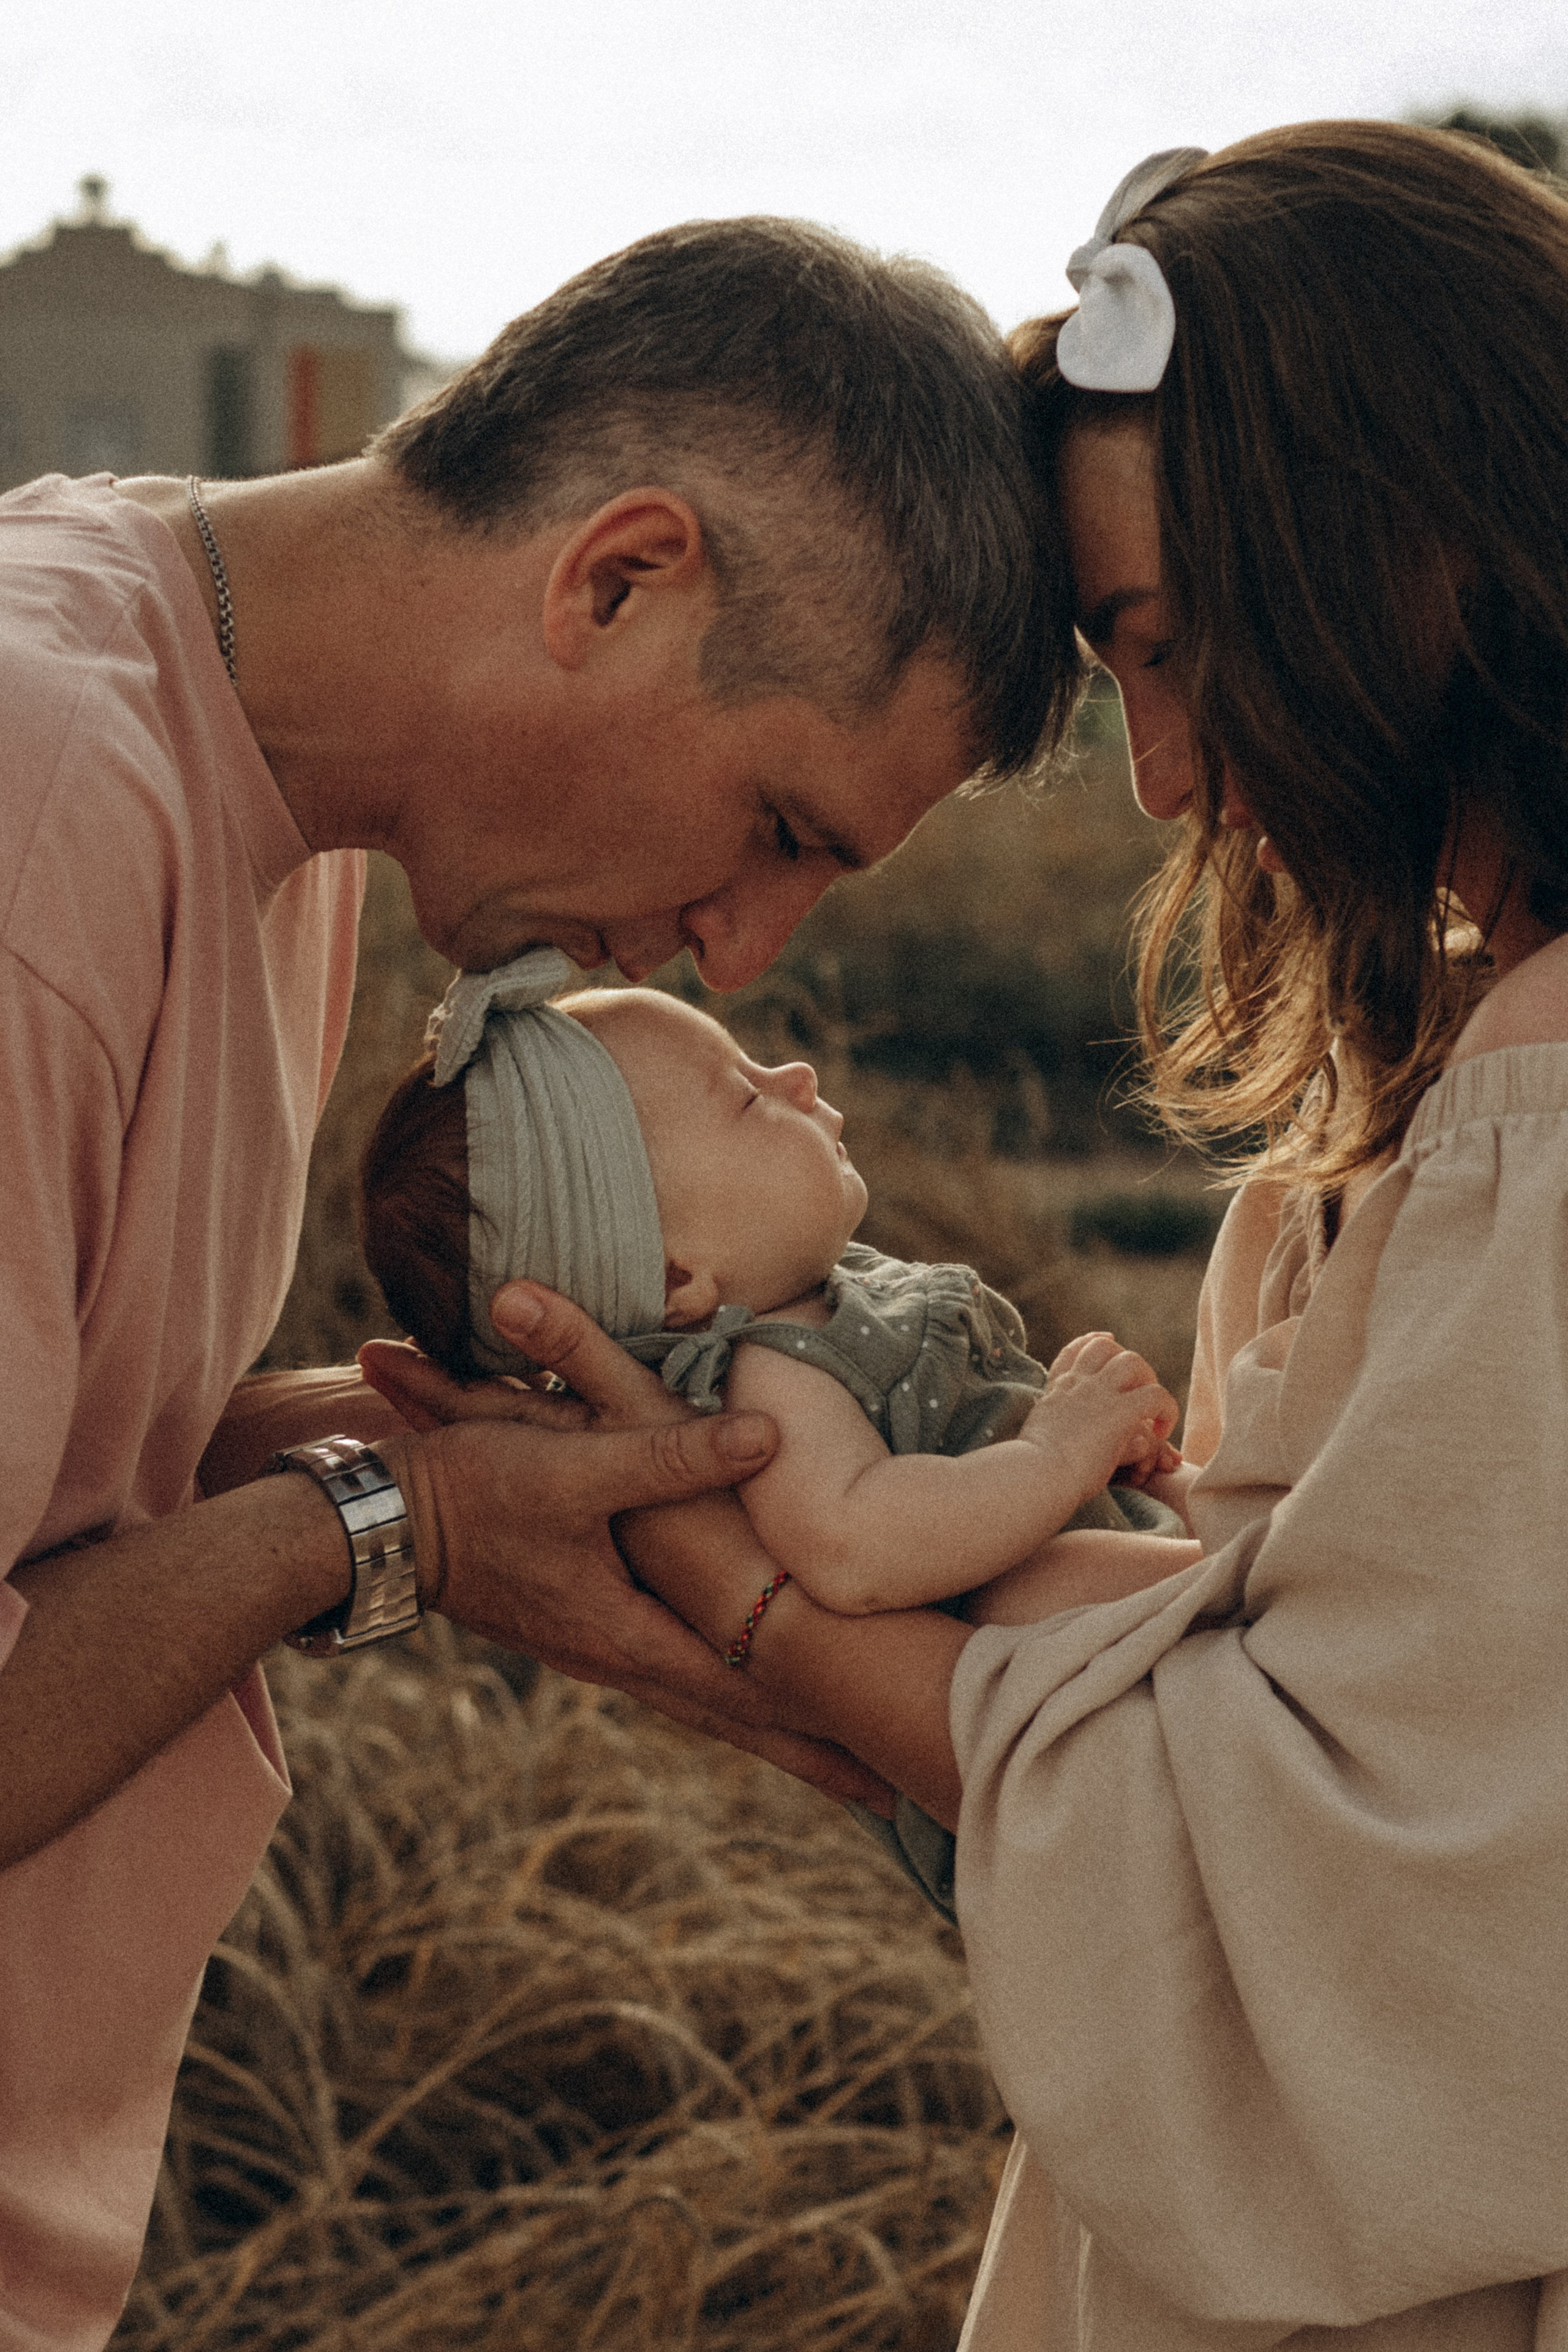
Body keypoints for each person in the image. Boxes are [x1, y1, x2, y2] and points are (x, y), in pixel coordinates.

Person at [368, 124, 1568, 2347]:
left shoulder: (1552, 1118)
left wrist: (750, 1602)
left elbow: (1408, 1921)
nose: (1171, 777)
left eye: (1179, 648)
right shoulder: (1481, 1072)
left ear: (1411, 546)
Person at [0, 214, 1067, 2348]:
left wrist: (435, 1455)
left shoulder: (251, 790)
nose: (748, 954)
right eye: (781, 825)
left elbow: (76, 1475)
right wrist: (395, 1529)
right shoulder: (44, 816)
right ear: (617, 577)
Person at [358, 954, 1196, 1630]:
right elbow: (853, 1547)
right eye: (749, 1097)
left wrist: (1103, 1448)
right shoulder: (775, 1374)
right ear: (676, 1278)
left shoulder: (837, 1294)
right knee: (1084, 1587)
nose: (796, 1075)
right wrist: (1055, 1455)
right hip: (1024, 1624)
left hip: (1095, 1539)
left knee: (1241, 1514)